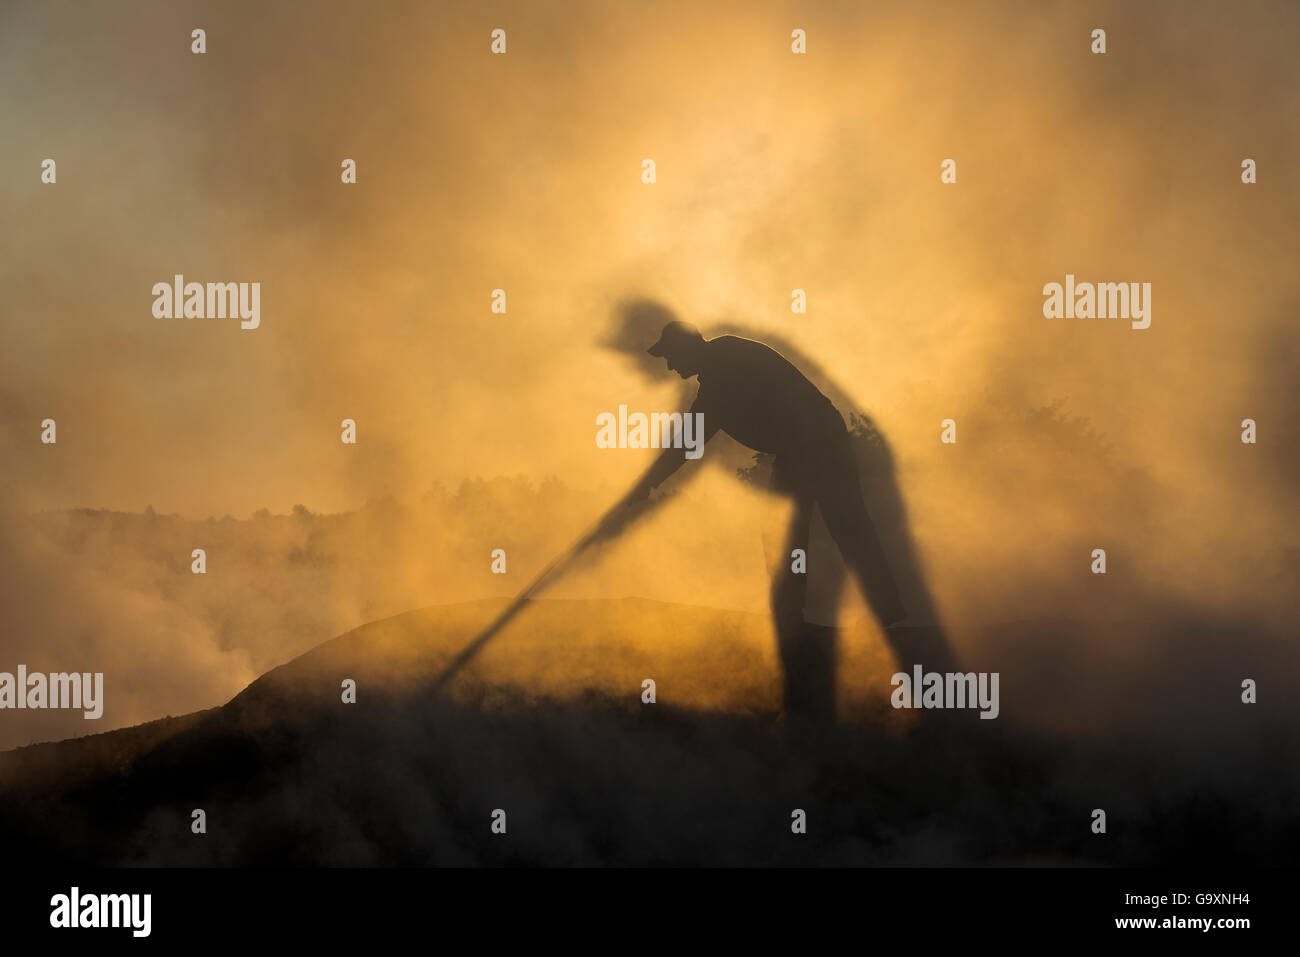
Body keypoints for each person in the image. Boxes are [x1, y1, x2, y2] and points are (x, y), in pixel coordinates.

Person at [626, 319, 949, 721]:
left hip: (815, 443)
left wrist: (646, 485)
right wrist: (649, 484)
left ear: (690, 347)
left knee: (831, 532)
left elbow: (688, 442)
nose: (670, 366)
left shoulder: (721, 375)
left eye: (671, 356)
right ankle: (880, 620)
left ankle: (841, 629)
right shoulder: (721, 364)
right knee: (836, 532)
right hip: (808, 444)